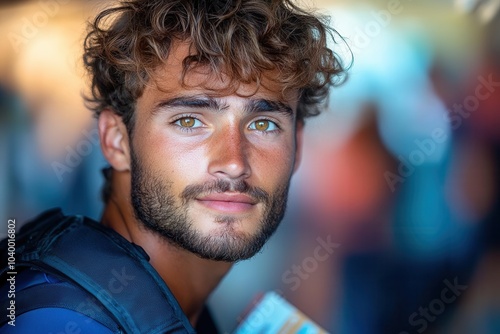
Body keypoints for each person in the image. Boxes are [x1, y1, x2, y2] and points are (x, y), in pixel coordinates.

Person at [0, 0, 345, 332]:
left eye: (263, 124)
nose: (235, 163)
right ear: (117, 140)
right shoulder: (58, 320)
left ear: (297, 145)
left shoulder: (158, 310)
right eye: (189, 120)